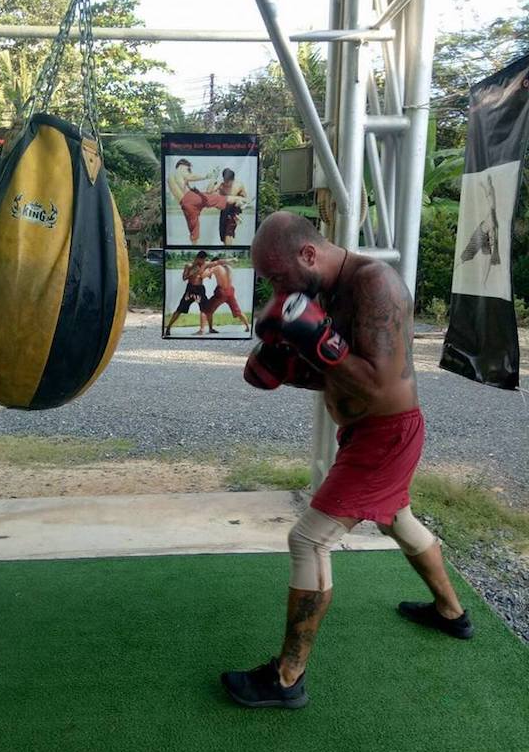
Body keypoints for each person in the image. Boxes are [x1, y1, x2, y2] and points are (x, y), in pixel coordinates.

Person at [221, 211, 474, 710]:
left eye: (277, 278)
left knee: (308, 539)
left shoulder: (374, 284)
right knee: (398, 520)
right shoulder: (324, 292)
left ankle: (287, 679)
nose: (276, 290)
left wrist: (316, 342)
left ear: (308, 254)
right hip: (367, 432)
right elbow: (336, 373)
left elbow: (378, 383)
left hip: (386, 435)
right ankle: (451, 613)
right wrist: (286, 367)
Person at [167, 159, 247, 245]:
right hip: (191, 199)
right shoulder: (181, 168)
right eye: (189, 169)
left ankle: (237, 209)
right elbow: (191, 178)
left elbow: (184, 186)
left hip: (185, 204)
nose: (189, 171)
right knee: (216, 199)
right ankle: (239, 202)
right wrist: (207, 177)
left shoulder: (170, 177)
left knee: (194, 232)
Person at [164, 251, 212, 337]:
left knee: (205, 308)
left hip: (200, 289)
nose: (204, 262)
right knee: (180, 309)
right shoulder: (189, 266)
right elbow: (184, 278)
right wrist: (191, 273)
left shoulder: (204, 266)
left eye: (205, 260)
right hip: (190, 289)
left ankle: (205, 329)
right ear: (198, 258)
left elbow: (212, 268)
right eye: (203, 260)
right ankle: (168, 328)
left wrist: (209, 274)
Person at [198, 256, 250, 335]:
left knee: (206, 310)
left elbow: (203, 276)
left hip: (221, 292)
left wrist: (206, 267)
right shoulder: (228, 267)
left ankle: (205, 329)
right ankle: (248, 327)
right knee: (238, 311)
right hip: (230, 291)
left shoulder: (216, 268)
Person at [206, 168, 248, 245]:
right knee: (223, 236)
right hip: (224, 210)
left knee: (228, 233)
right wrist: (213, 179)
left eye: (228, 181)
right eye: (225, 180)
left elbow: (246, 199)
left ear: (233, 180)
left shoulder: (239, 185)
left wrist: (239, 201)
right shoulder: (221, 185)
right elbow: (208, 193)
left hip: (234, 211)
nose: (226, 183)